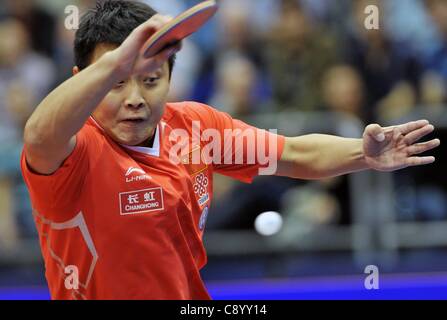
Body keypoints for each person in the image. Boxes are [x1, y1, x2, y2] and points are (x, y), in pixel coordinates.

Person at [21, 0, 440, 300]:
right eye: (115, 83)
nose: (135, 98)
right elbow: (38, 136)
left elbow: (293, 153)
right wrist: (117, 62)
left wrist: (362, 154)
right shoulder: (72, 151)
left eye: (150, 80)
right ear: (84, 78)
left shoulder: (196, 128)